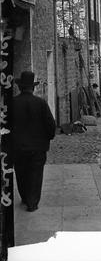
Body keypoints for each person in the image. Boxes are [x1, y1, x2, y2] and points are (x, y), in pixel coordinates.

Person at [12, 71, 56, 212]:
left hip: (18, 146)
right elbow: (50, 125)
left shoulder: (12, 103)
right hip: (38, 147)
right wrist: (48, 137)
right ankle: (32, 202)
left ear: (20, 87)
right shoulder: (41, 103)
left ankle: (25, 197)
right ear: (33, 88)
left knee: (21, 172)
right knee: (36, 174)